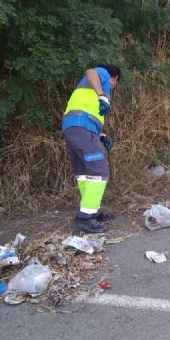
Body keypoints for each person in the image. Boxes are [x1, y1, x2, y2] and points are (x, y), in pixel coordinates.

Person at [62, 64, 121, 233]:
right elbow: (90, 71)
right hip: (81, 126)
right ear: (115, 78)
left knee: (84, 173)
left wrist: (101, 137)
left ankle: (91, 210)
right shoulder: (103, 76)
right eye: (115, 84)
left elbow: (93, 116)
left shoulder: (92, 91)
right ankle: (84, 218)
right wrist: (103, 95)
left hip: (75, 127)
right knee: (99, 171)